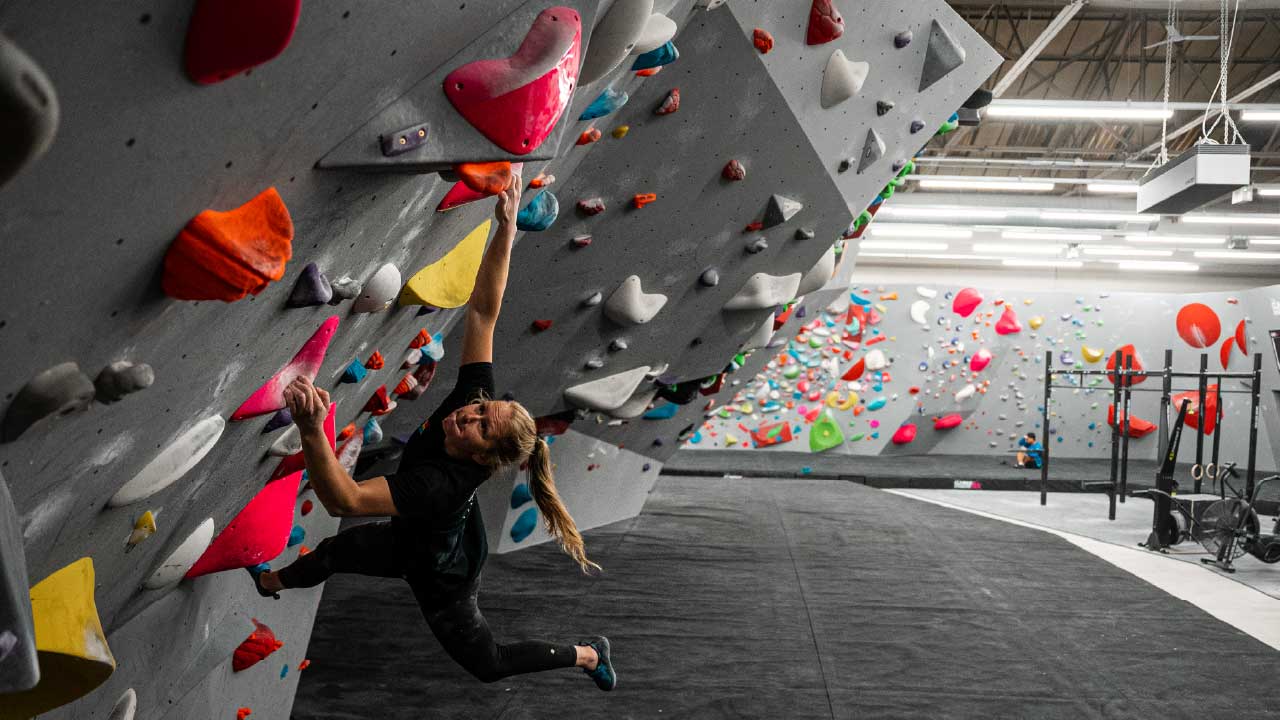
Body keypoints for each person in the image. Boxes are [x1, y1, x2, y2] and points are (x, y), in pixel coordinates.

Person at [247, 176, 617, 691]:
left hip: (442, 570)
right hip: (423, 529)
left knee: (486, 665)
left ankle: (585, 654)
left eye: (480, 426)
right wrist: (506, 230)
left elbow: (346, 501)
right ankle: (268, 581)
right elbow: (484, 314)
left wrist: (314, 430)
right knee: (333, 556)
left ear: (486, 457)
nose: (470, 414)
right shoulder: (477, 402)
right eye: (484, 408)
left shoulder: (440, 485)